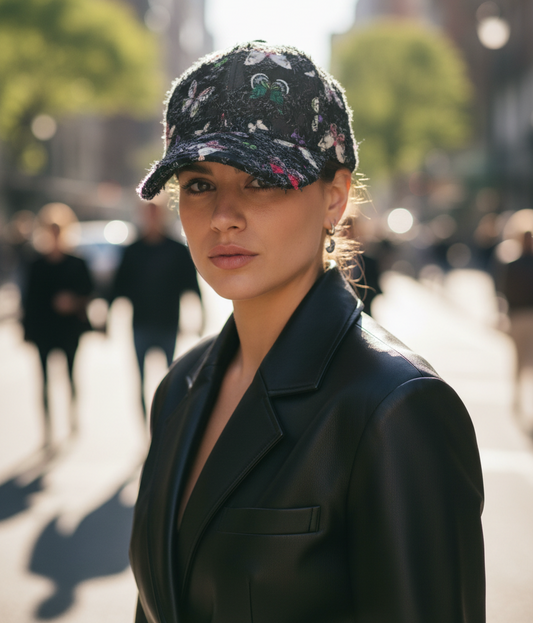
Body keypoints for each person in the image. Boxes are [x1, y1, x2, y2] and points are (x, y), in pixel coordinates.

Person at [129, 41, 485, 623]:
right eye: (198, 183)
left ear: (335, 198)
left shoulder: (395, 408)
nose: (223, 214)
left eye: (260, 180)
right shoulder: (180, 387)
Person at [109, 202, 201, 419]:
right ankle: (146, 433)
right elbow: (117, 288)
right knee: (139, 381)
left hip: (168, 324)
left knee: (171, 380)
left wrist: (200, 317)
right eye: (147, 215)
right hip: (140, 324)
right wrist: (106, 319)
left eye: (155, 214)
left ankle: (167, 425)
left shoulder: (177, 249)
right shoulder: (132, 250)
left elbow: (192, 286)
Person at [22, 222, 93, 444]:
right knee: (43, 380)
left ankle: (72, 419)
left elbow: (89, 290)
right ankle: (47, 428)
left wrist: (72, 301)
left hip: (69, 329)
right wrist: (26, 331)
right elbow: (28, 299)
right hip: (43, 329)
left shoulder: (76, 262)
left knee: (71, 376)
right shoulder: (36, 264)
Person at [500, 229, 533, 419]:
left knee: (521, 358)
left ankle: (518, 394)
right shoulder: (512, 264)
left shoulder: (512, 264)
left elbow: (504, 290)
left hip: (520, 314)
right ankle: (517, 394)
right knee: (521, 358)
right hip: (521, 314)